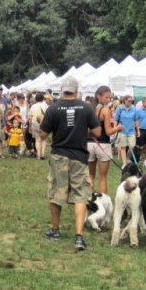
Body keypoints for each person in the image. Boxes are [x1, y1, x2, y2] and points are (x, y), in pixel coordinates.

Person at [39, 76, 101, 251]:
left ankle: (55, 230)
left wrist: (42, 125)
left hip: (59, 155)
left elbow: (43, 135)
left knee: (57, 192)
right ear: (76, 90)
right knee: (81, 195)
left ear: (62, 90)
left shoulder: (53, 108)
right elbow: (97, 131)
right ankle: (79, 236)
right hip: (79, 156)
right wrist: (82, 130)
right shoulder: (86, 107)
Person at [88, 85, 124, 194]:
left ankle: (89, 200)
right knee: (103, 177)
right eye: (106, 97)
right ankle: (102, 202)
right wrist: (118, 128)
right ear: (99, 96)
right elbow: (108, 132)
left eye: (110, 98)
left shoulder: (90, 109)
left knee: (90, 175)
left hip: (89, 143)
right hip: (102, 144)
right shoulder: (105, 110)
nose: (108, 100)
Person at [114, 95, 138, 166]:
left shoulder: (133, 109)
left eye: (131, 101)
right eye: (129, 101)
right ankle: (124, 163)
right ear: (124, 101)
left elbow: (136, 120)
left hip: (131, 131)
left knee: (132, 147)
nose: (131, 102)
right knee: (123, 147)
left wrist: (138, 130)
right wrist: (115, 130)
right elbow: (116, 120)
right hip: (122, 131)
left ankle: (127, 158)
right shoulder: (120, 108)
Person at [28, 92, 49, 160]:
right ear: (43, 99)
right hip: (44, 123)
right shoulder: (45, 105)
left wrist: (30, 126)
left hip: (35, 123)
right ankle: (43, 154)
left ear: (36, 99)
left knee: (37, 140)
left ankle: (38, 155)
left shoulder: (33, 106)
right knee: (44, 139)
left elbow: (30, 117)